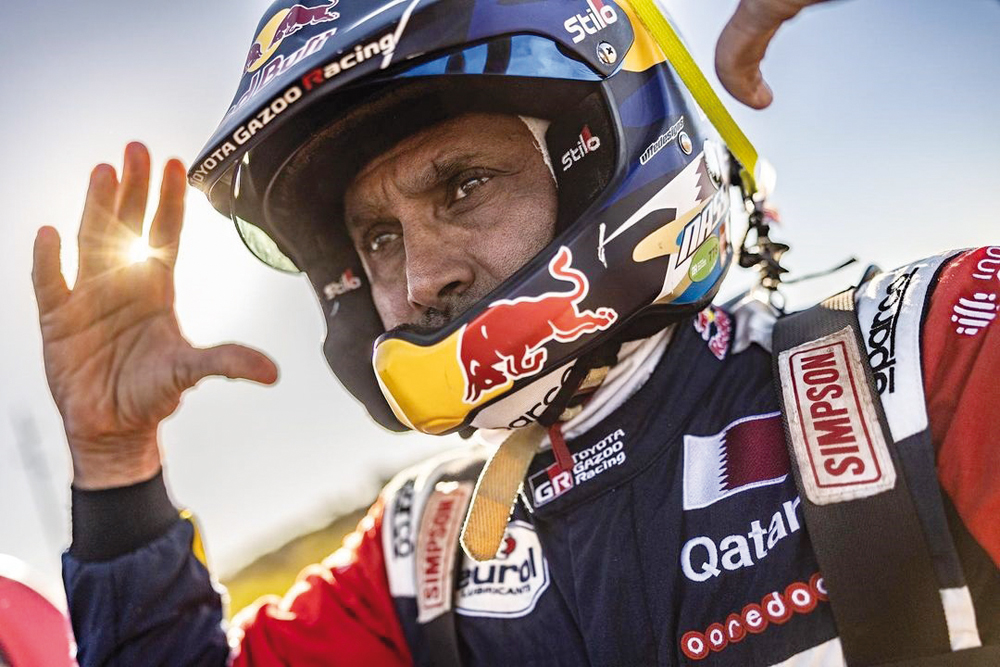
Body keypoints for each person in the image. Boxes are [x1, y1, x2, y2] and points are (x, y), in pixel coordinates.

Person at [32, 0, 998, 665]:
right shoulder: (422, 554)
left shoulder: (923, 359)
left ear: (595, 152)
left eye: (463, 185)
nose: (421, 277)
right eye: (377, 238)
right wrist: (116, 467)